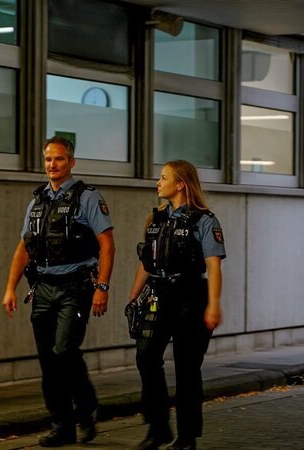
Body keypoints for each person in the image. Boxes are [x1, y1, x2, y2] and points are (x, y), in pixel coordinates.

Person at [2, 136, 115, 447]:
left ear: (71, 162)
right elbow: (23, 249)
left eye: (59, 159)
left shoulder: (88, 198)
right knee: (49, 362)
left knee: (63, 351)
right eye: (49, 159)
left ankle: (87, 405)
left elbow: (107, 245)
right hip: (43, 289)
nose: (52, 165)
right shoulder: (36, 202)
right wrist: (10, 287)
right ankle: (62, 425)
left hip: (76, 287)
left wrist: (101, 288)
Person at [128, 160, 225, 450]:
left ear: (180, 183)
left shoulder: (204, 220)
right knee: (145, 358)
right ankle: (158, 429)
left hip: (191, 296)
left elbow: (214, 266)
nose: (158, 183)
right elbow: (146, 263)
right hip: (158, 295)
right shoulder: (155, 219)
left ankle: (187, 436)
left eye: (163, 178)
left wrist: (213, 305)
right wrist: (133, 297)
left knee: (186, 368)